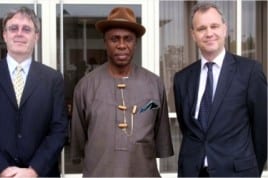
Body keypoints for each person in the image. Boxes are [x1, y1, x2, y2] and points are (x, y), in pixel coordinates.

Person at [70, 6, 174, 177]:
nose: (121, 45)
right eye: (114, 39)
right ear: (105, 42)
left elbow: (161, 138)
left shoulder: (154, 84)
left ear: (136, 42)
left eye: (128, 39)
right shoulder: (86, 86)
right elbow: (78, 142)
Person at [0, 7, 68, 177]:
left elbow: (59, 129)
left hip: (41, 173)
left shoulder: (53, 79)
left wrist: (34, 170)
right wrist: (2, 169)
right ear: (4, 35)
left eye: (26, 29)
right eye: (13, 28)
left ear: (36, 36)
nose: (19, 34)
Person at [173, 2, 267, 177]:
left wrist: (252, 171)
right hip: (193, 172)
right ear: (193, 35)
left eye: (214, 26)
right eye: (201, 28)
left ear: (224, 29)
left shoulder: (250, 72)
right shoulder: (182, 79)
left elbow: (262, 130)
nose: (209, 33)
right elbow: (188, 130)